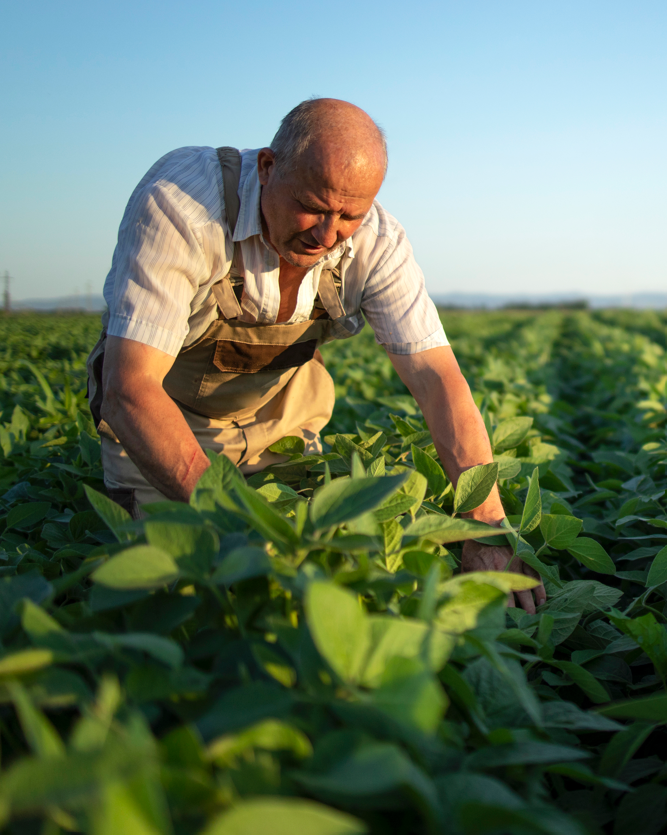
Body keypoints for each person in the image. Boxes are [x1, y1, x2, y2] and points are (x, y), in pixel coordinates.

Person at [87, 98, 545, 613]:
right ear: (267, 168)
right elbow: (129, 392)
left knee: (321, 588)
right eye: (313, 206)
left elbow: (437, 380)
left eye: (349, 214)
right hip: (164, 425)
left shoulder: (378, 242)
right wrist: (242, 528)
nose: (327, 235)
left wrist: (482, 528)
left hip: (282, 420)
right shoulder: (183, 205)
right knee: (180, 595)